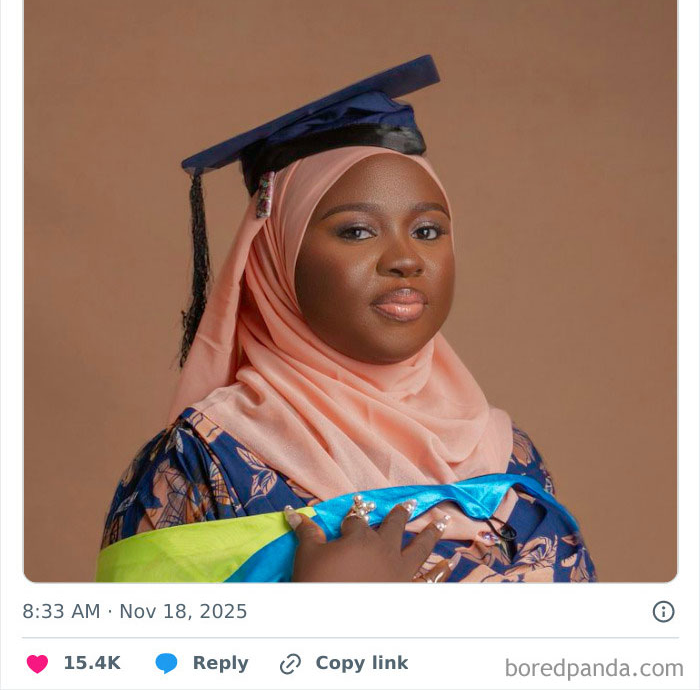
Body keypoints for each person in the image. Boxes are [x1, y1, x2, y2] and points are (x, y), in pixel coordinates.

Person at [98, 56, 596, 583]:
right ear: (275, 258)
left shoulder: (508, 454)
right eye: (357, 232)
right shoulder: (203, 461)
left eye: (428, 231)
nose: (406, 259)